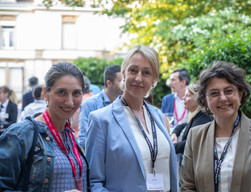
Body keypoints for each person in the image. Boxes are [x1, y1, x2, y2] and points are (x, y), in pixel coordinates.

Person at [180, 61, 251, 192]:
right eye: (214, 93)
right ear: (204, 100)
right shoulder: (195, 135)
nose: (223, 98)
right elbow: (187, 187)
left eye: (229, 91)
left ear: (240, 94)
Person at [86, 45, 178, 191]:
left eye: (146, 73)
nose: (138, 78)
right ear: (124, 73)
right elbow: (93, 182)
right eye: (133, 70)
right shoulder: (101, 120)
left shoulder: (159, 117)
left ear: (154, 78)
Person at [0, 62, 90, 191]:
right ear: (46, 93)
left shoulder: (69, 135)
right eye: (61, 92)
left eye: (76, 93)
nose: (70, 102)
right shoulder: (20, 136)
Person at [78, 64, 122, 148]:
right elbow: (84, 139)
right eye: (120, 81)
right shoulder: (90, 103)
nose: (124, 84)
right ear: (109, 83)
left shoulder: (123, 104)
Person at [170, 83, 213, 154]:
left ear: (198, 99)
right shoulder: (197, 115)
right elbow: (185, 125)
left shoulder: (203, 117)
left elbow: (191, 143)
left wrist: (171, 148)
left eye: (187, 96)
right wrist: (175, 133)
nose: (183, 98)